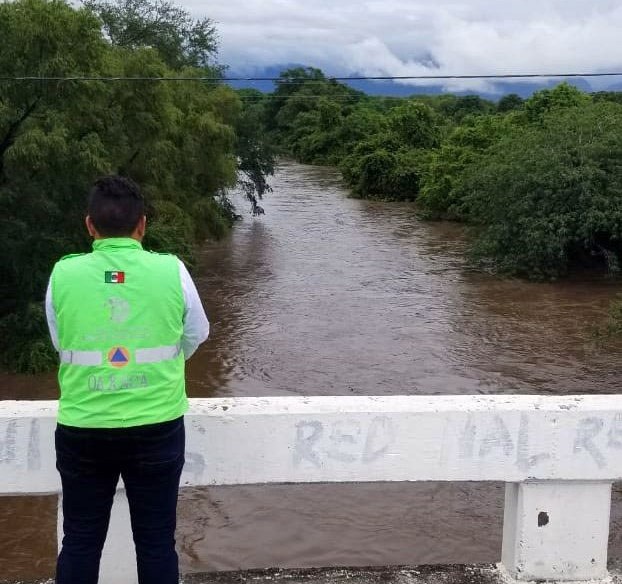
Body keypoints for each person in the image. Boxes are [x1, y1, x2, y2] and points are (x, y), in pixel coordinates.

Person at [45, 175, 210, 584]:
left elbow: (60, 339)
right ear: (142, 225)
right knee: (156, 544)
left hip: (83, 426)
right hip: (157, 427)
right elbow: (197, 333)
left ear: (90, 225)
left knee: (80, 541)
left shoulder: (63, 274)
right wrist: (157, 369)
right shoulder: (172, 269)